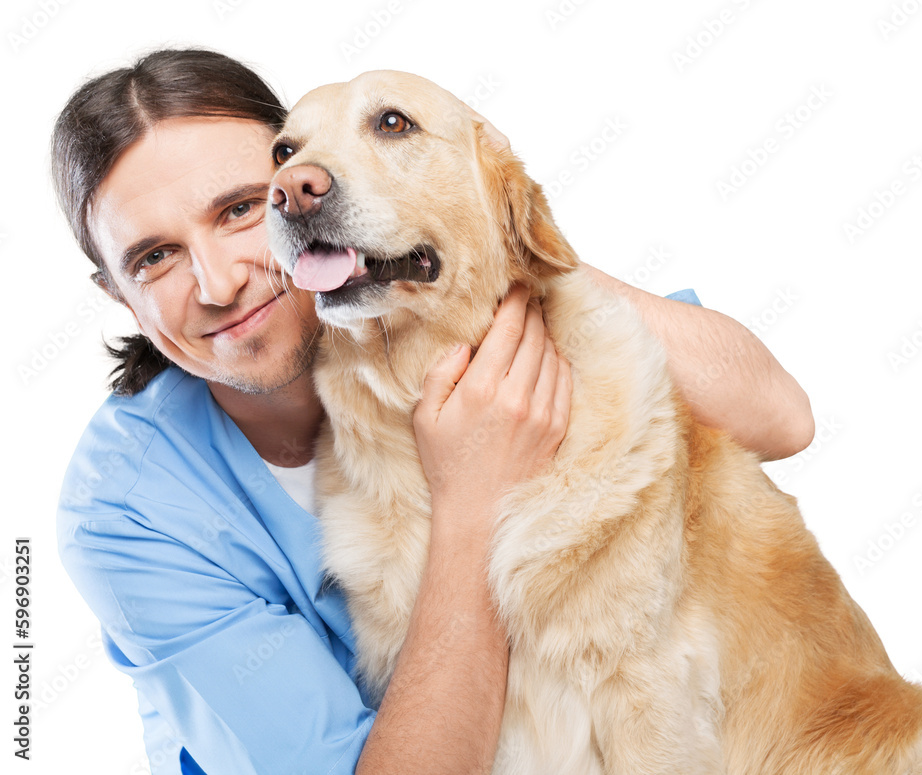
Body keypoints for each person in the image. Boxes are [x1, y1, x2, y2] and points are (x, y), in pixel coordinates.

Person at [53, 47, 814, 775]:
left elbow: (781, 417)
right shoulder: (125, 510)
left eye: (245, 207)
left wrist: (507, 230)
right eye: (154, 257)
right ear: (117, 294)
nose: (220, 284)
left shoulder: (434, 310)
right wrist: (471, 501)